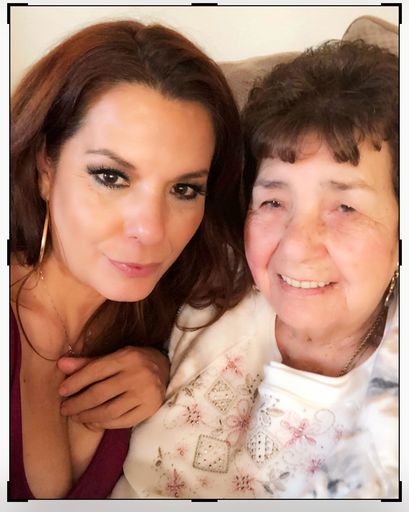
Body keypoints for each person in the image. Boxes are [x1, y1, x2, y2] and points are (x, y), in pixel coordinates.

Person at [110, 39, 399, 499]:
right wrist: (154, 363)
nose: (296, 245)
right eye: (273, 201)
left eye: (345, 207)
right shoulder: (213, 281)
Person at [10, 19, 248, 499]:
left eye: (184, 189)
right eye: (111, 177)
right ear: (44, 168)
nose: (151, 230)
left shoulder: (177, 325)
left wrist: (164, 370)